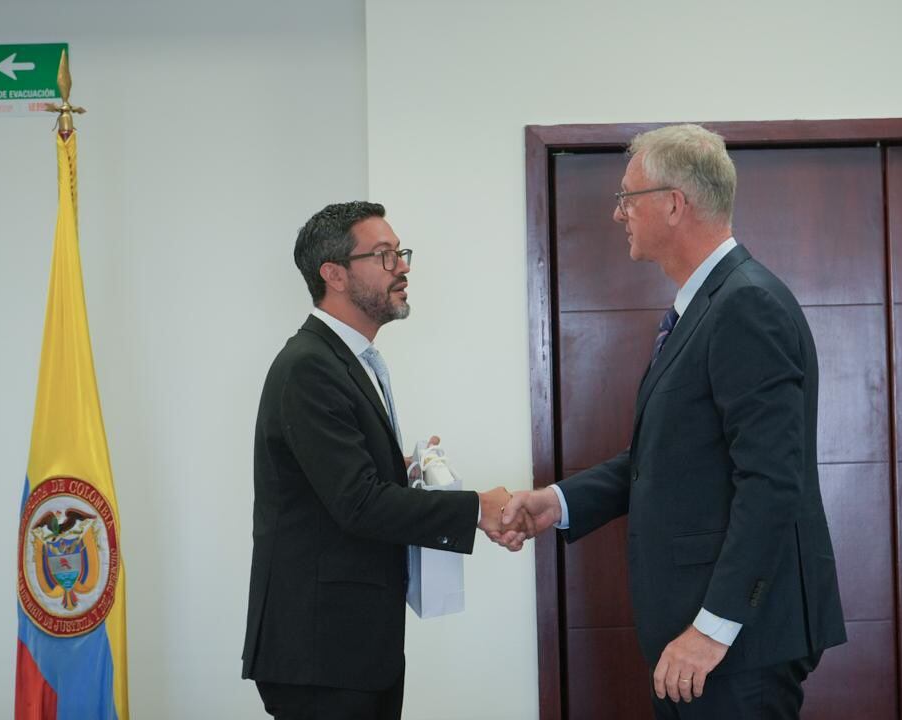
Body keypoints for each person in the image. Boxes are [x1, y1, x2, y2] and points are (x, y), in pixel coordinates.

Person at [502, 125, 846, 719]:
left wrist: (712, 630)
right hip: (699, 636)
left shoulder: (745, 304)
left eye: (626, 196)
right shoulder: (708, 305)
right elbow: (661, 460)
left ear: (673, 203)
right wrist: (557, 502)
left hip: (734, 640)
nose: (619, 214)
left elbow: (771, 481)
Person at [242, 201, 525, 720]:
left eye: (401, 252)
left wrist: (405, 472)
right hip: (320, 653)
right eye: (385, 255)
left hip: (351, 646)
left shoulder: (346, 360)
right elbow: (358, 504)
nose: (403, 266)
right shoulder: (310, 366)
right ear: (335, 275)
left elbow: (345, 485)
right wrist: (477, 509)